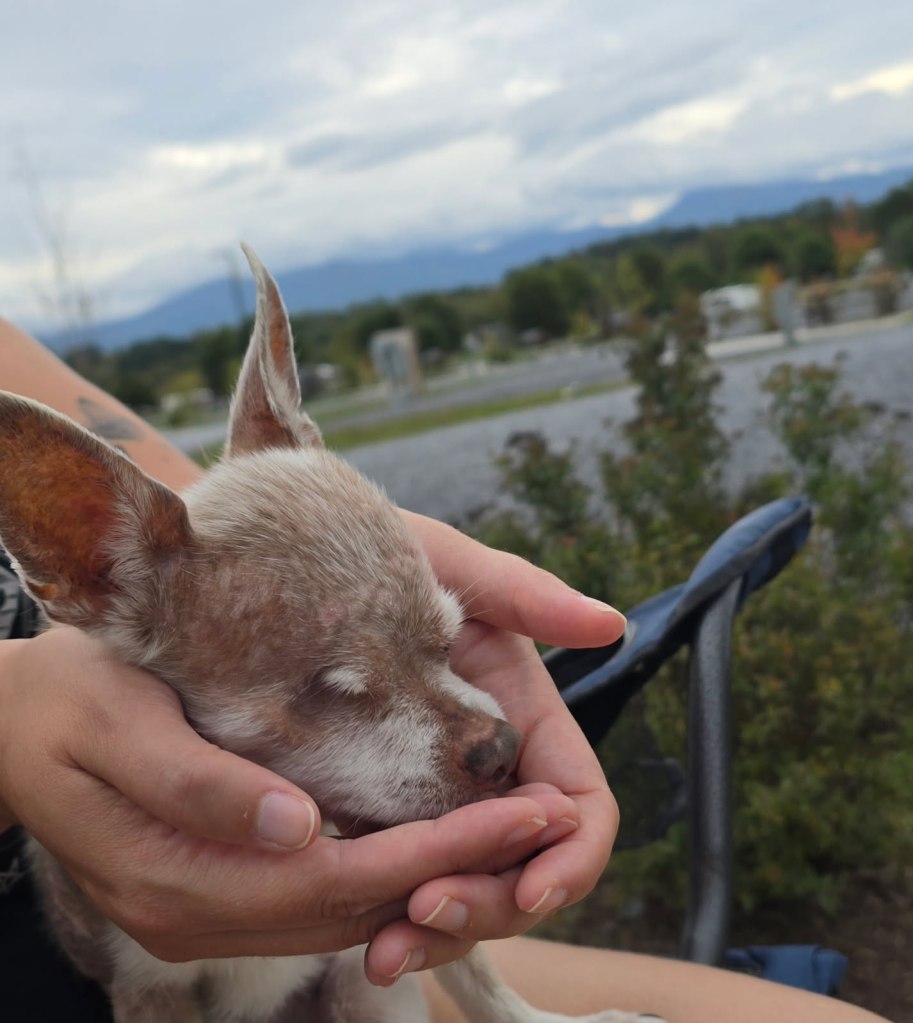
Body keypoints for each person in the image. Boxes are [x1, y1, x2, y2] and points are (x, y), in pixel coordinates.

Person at [0, 319, 887, 1023]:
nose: (482, 729)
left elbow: (206, 508)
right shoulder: (115, 574)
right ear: (93, 566)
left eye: (444, 642)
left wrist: (313, 551)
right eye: (345, 698)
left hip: (355, 957)